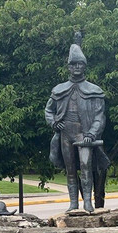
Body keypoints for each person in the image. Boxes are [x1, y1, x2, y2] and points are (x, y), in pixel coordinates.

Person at [45, 34, 109, 212]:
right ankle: (73, 203)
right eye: (73, 64)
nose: (77, 67)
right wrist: (53, 123)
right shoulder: (59, 90)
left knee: (86, 167)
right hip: (66, 134)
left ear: (84, 66)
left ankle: (88, 201)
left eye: (80, 64)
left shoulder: (94, 91)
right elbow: (48, 111)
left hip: (85, 135)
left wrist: (91, 134)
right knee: (71, 169)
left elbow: (99, 116)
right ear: (69, 67)